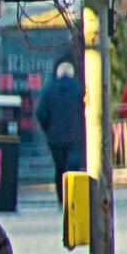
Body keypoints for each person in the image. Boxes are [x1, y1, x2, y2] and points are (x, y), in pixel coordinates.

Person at [35, 60, 85, 204]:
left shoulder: (49, 89)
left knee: (59, 168)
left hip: (55, 137)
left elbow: (41, 113)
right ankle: (74, 197)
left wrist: (48, 129)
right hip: (76, 136)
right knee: (74, 167)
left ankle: (61, 199)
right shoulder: (79, 88)